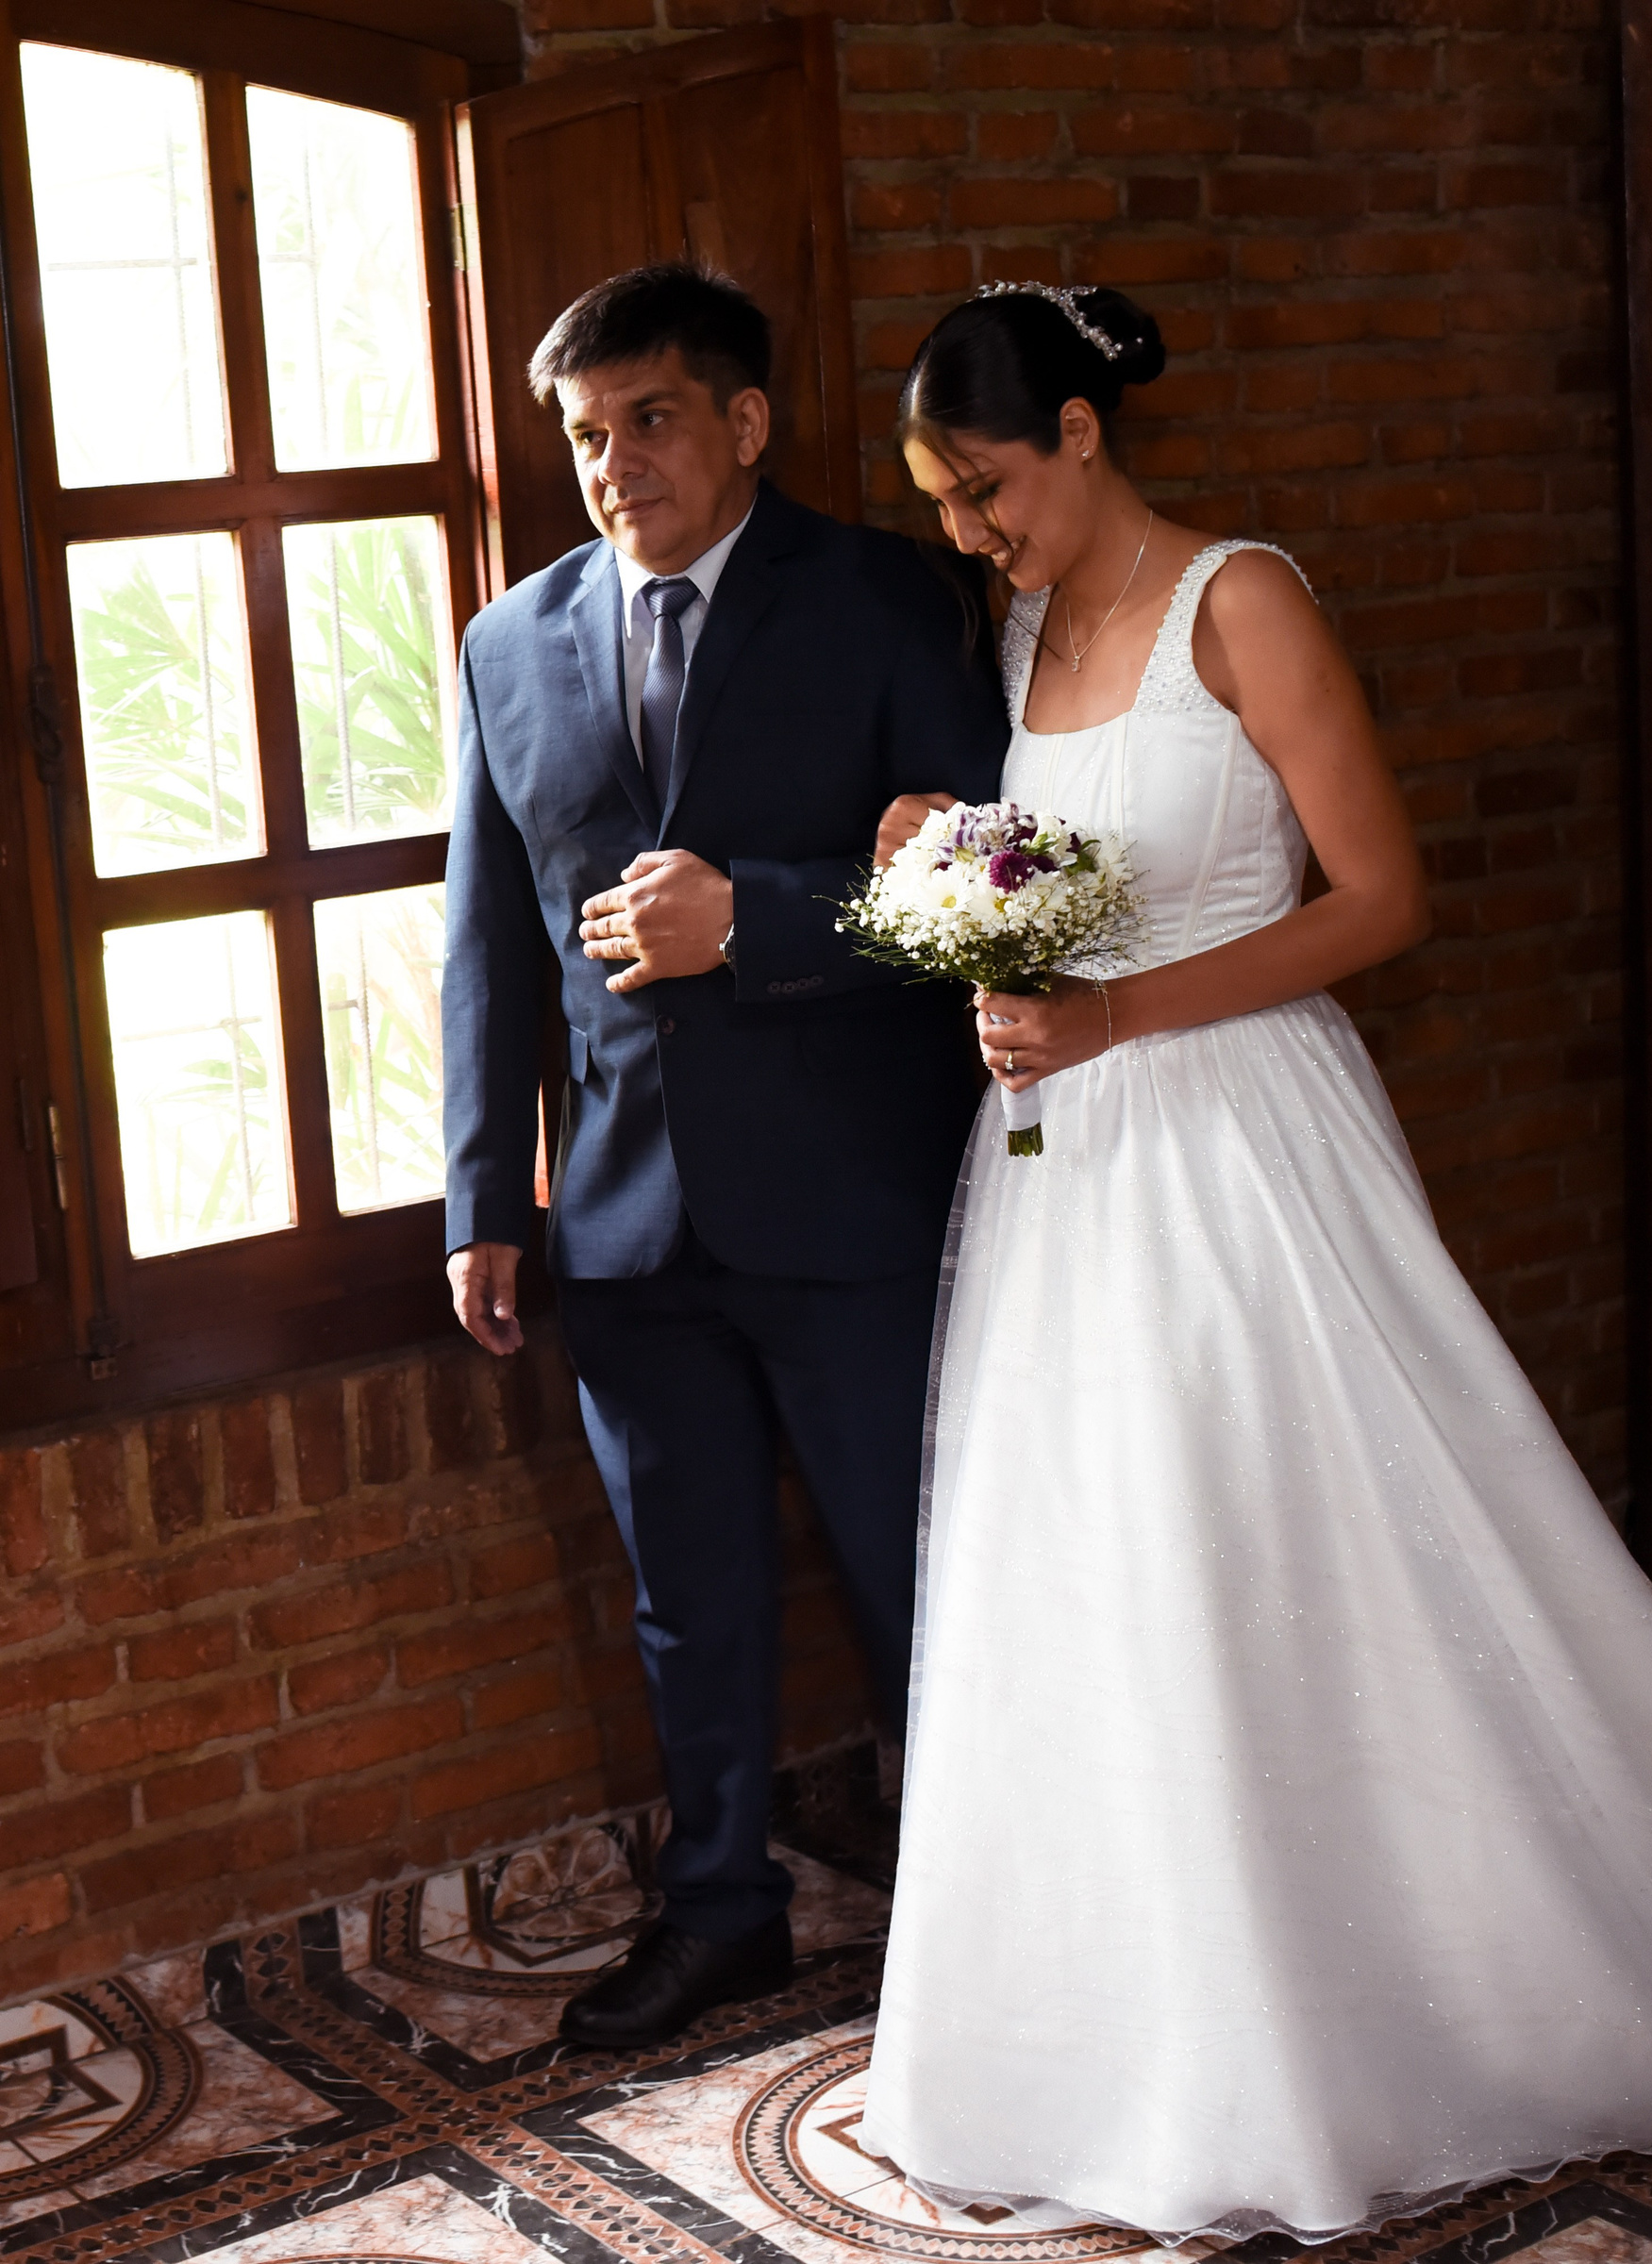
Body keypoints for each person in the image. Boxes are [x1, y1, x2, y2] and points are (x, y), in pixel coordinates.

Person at [857, 280, 1652, 2242]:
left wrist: (1117, 1017)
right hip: (1068, 1171)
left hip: (1239, 1138)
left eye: (986, 485)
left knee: (1286, 1534)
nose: (968, 528)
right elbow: (1058, 879)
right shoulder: (1024, 631)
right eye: (943, 500)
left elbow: (1382, 899)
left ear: (1082, 434)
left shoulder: (1243, 602)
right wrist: (954, 882)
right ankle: (1138, 2028)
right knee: (1103, 1559)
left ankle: (1420, 1985)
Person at [440, 264, 1007, 2052]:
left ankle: (989, 1919)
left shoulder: (888, 599)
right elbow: (489, 944)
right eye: (586, 435)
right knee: (686, 1603)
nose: (617, 463)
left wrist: (754, 919)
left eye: (653, 419)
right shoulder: (506, 643)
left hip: (856, 1202)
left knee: (918, 1577)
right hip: (623, 1225)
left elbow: (988, 885)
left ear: (745, 423)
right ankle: (719, 1915)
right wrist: (485, 1203)